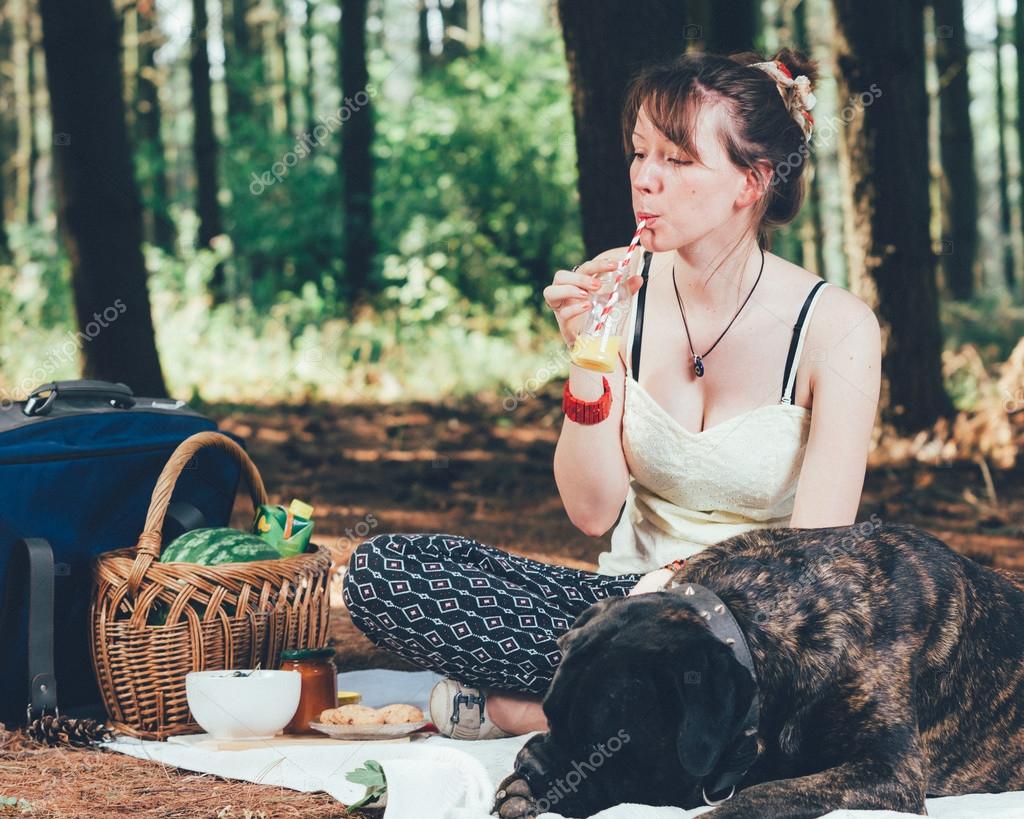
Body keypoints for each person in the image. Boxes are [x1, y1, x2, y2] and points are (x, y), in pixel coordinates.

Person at [342, 48, 881, 740]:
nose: (645, 179)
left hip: (751, 622)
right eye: (639, 153)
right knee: (382, 571)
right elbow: (592, 512)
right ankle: (645, 716)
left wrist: (683, 584)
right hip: (615, 603)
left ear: (751, 182)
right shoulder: (622, 294)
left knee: (793, 654)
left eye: (677, 160)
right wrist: (589, 356)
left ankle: (548, 709)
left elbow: (814, 564)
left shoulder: (837, 328)